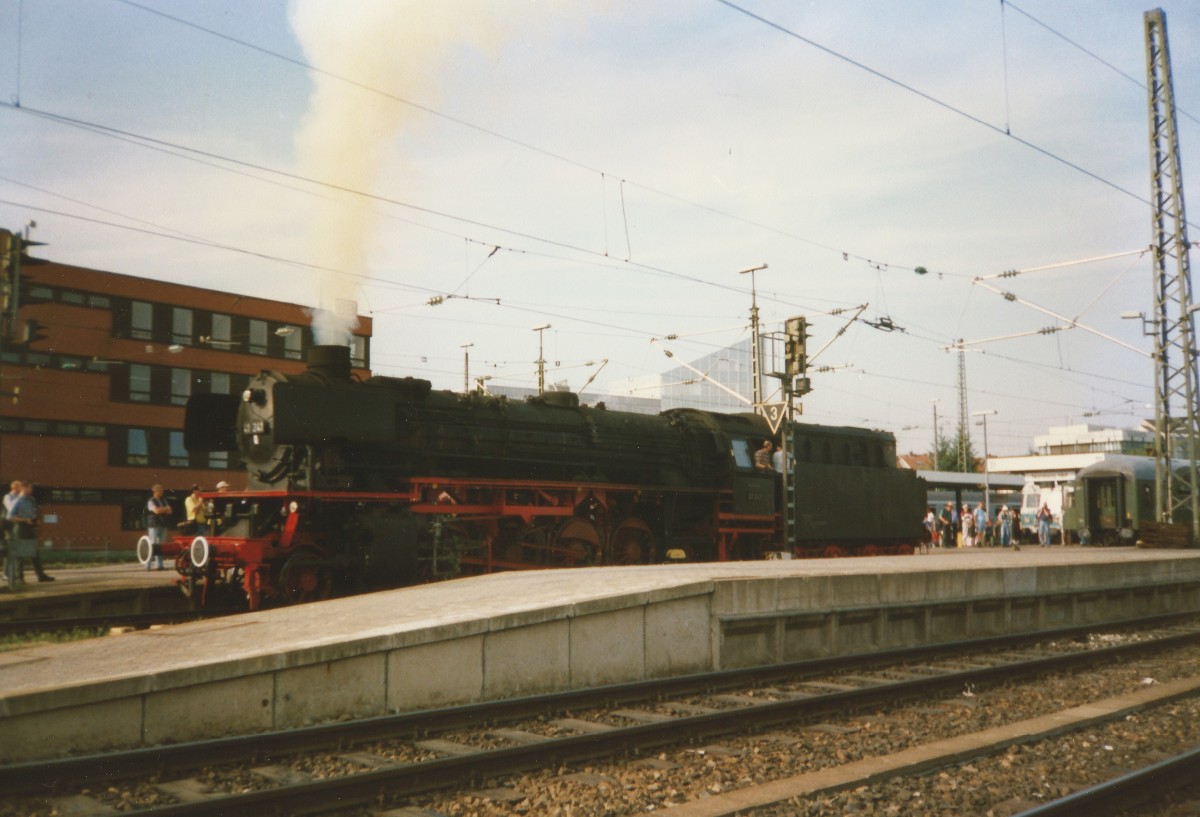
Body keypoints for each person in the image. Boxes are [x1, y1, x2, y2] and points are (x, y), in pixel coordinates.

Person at [7, 482, 52, 582]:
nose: (31, 490)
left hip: (30, 527)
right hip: (20, 528)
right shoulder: (16, 501)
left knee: (34, 552)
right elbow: (11, 517)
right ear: (23, 488)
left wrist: (35, 519)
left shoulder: (31, 500)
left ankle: (40, 575)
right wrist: (24, 520)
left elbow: (33, 512)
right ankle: (19, 577)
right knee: (20, 553)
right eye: (29, 488)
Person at [145, 484, 173, 570]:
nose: (162, 491)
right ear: (156, 491)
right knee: (152, 544)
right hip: (154, 525)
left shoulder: (163, 500)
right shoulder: (151, 501)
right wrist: (165, 509)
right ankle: (148, 565)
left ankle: (159, 565)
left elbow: (170, 511)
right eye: (160, 490)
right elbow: (156, 511)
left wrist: (162, 510)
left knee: (161, 546)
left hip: (163, 524)